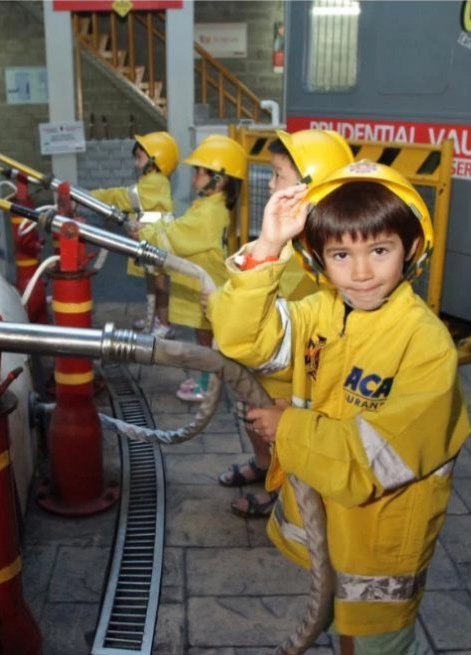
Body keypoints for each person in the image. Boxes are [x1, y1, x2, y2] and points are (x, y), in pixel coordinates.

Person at [208, 161, 471, 655]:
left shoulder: (426, 345)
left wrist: (292, 427)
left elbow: (379, 455)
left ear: (412, 249)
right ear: (318, 261)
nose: (362, 272)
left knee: (385, 648)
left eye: (380, 250)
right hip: (333, 514)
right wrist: (268, 245)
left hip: (383, 534)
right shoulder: (319, 312)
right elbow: (244, 341)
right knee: (345, 616)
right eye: (341, 255)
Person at [220, 129, 354, 518]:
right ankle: (264, 469)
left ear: (308, 191)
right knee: (254, 423)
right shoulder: (293, 247)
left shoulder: (313, 266)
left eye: (279, 174)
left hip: (287, 382)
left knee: (279, 437)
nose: (270, 182)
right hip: (263, 371)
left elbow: (265, 329)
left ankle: (276, 490)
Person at [135, 134, 245, 402]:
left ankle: (209, 385)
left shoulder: (209, 213)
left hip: (209, 285)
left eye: (199, 171)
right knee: (204, 334)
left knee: (207, 338)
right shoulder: (210, 206)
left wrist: (144, 232)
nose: (194, 176)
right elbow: (180, 229)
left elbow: (175, 237)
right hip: (207, 282)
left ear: (220, 179)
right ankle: (208, 379)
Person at [90, 131, 178, 337]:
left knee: (160, 284)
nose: (135, 163)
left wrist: (93, 196)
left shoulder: (154, 182)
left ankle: (164, 324)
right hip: (150, 239)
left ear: (156, 161)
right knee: (151, 282)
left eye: (139, 157)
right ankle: (153, 318)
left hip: (158, 241)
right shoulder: (152, 181)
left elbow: (125, 196)